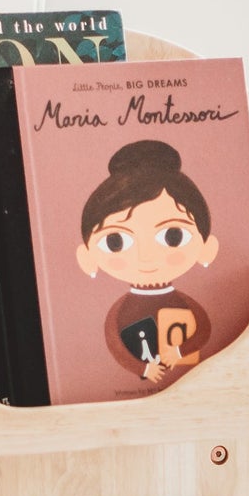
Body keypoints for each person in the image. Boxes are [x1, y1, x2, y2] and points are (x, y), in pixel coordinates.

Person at [75, 140, 217, 387]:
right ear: (87, 257)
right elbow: (115, 343)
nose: (146, 257)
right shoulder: (121, 310)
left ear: (206, 248)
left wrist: (181, 351)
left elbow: (202, 328)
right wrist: (143, 368)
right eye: (115, 241)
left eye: (173, 236)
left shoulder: (184, 303)